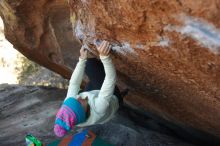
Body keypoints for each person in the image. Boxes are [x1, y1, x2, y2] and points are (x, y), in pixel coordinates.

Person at [54, 41, 122, 137]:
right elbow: (110, 79)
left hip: (93, 98)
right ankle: (120, 98)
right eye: (78, 102)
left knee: (87, 65)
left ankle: (95, 82)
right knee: (92, 67)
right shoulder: (99, 108)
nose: (77, 98)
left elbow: (74, 83)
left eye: (73, 100)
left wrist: (82, 59)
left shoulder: (71, 108)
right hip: (113, 98)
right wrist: (105, 57)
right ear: (83, 111)